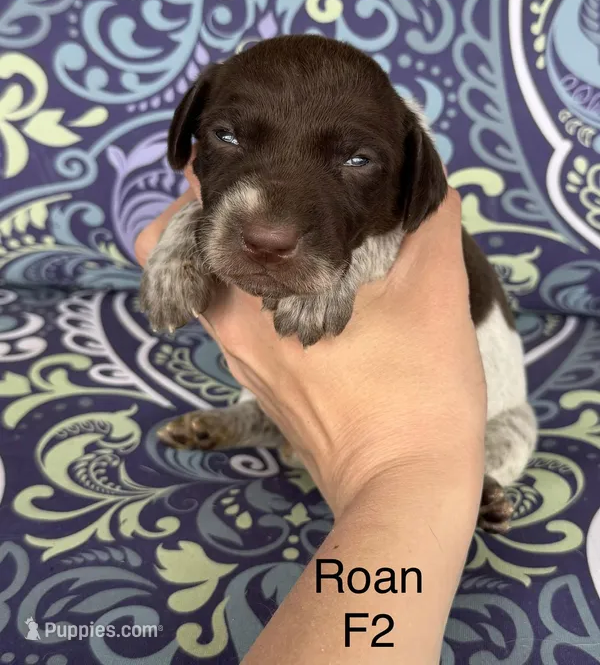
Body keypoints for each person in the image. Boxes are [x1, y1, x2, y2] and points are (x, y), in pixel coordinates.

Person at [135, 152, 487, 664]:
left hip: (465, 403)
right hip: (379, 449)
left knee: (501, 434)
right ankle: (259, 421)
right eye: (228, 136)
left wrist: (406, 466)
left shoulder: (406, 185)